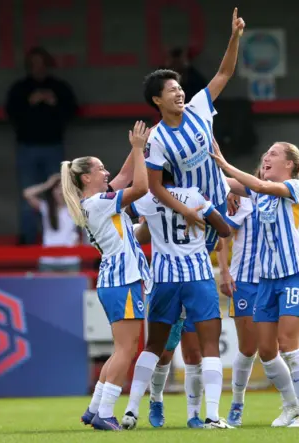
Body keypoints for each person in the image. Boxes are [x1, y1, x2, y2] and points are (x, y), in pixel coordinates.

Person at [210, 139, 299, 428]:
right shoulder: (260, 196)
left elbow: (258, 186)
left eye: (273, 154)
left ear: (290, 164)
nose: (266, 158)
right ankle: (290, 406)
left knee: (289, 345)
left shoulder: (297, 187)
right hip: (266, 281)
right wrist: (205, 160)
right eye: (266, 153)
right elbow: (227, 182)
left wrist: (224, 164)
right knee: (267, 351)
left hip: (294, 276)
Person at [123, 168, 233, 429]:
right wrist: (203, 223)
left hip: (164, 277)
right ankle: (213, 416)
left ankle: (130, 411)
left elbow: (123, 216)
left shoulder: (147, 198)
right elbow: (225, 230)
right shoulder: (194, 195)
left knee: (154, 347)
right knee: (209, 347)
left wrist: (150, 226)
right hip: (197, 276)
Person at [63, 121, 152, 431]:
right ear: (86, 177)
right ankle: (105, 412)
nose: (106, 172)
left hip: (113, 279)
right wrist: (140, 150)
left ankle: (94, 409)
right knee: (127, 349)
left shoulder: (93, 203)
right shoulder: (100, 204)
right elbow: (140, 187)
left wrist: (138, 142)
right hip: (123, 279)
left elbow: (126, 176)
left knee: (121, 348)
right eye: (100, 169)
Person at [138, 8, 245, 254]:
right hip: (192, 206)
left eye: (179, 88)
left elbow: (224, 73)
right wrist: (185, 209)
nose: (179, 93)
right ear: (157, 100)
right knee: (194, 262)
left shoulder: (198, 107)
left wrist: (235, 37)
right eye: (171, 91)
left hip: (221, 196)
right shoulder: (156, 138)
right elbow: (155, 187)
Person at [122, 216, 206, 429]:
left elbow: (219, 237)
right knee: (163, 352)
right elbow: (135, 236)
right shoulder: (154, 206)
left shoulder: (195, 204)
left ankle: (193, 413)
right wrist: (148, 221)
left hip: (194, 284)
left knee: (194, 353)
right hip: (163, 284)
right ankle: (156, 399)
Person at [6, 46, 78, 245]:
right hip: (27, 147)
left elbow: (72, 111)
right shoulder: (20, 88)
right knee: (27, 196)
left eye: (41, 63)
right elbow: (11, 113)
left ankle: (62, 241)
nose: (38, 68)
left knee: (60, 194)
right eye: (34, 64)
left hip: (53, 146)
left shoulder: (58, 87)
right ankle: (28, 241)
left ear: (47, 65)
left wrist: (54, 101)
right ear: (29, 66)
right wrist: (29, 101)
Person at [216, 159, 265, 427]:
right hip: (245, 281)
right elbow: (223, 235)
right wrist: (224, 271)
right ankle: (237, 401)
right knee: (248, 348)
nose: (267, 169)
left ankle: (298, 405)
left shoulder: (291, 196)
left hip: (277, 280)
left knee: (280, 346)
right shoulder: (245, 201)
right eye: (264, 166)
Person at [23, 173, 81, 272]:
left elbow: (89, 194)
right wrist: (47, 184)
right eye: (57, 188)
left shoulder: (75, 207)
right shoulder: (45, 207)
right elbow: (27, 194)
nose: (60, 192)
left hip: (69, 260)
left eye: (63, 188)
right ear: (52, 191)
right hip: (48, 260)